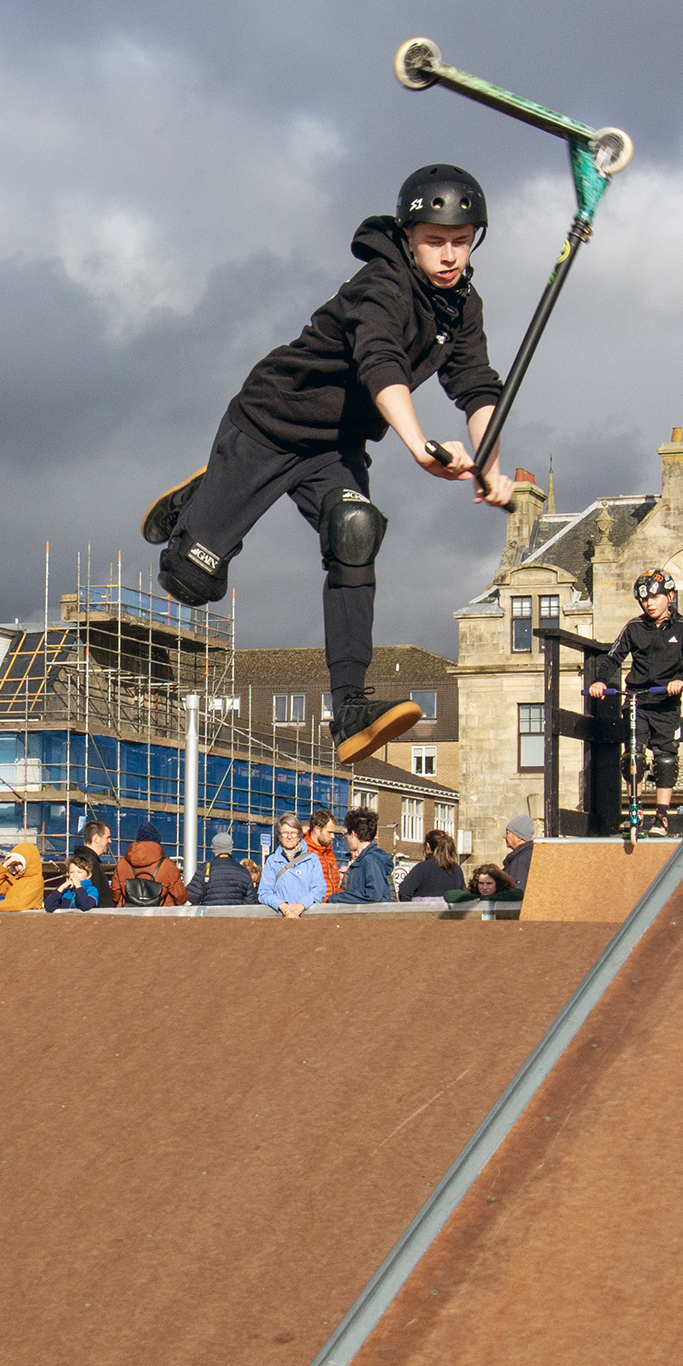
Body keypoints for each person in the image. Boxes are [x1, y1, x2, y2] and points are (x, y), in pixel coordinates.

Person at [143, 164, 513, 766]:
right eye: (435, 241)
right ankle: (202, 500)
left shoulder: (461, 306)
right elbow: (381, 363)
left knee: (355, 533)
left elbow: (475, 385)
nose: (449, 256)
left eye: (462, 241)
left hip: (334, 449)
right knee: (189, 581)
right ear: (408, 235)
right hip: (269, 423)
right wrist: (420, 445)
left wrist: (491, 464)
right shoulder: (380, 285)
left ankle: (350, 711)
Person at [589, 568, 683, 838]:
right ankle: (634, 812)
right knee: (633, 756)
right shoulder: (633, 627)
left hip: (666, 702)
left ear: (670, 596)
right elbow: (612, 657)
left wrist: (681, 680)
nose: (649, 604)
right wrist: (600, 681)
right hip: (637, 701)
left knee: (665, 759)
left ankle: (662, 818)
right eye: (644, 600)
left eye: (655, 598)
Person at [259, 812, 328, 918]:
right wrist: (282, 905)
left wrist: (301, 905)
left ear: (299, 836)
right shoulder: (272, 861)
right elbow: (264, 892)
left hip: (307, 919)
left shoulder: (312, 860)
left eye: (293, 833)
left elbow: (319, 889)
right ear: (280, 836)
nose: (289, 837)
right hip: (281, 920)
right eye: (285, 833)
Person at [111, 821, 188, 907]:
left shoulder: (122, 864)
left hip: (129, 915)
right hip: (161, 916)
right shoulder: (167, 865)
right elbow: (180, 898)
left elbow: (115, 896)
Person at [330, 807, 395, 903]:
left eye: (347, 834)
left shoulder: (370, 860)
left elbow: (375, 895)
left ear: (353, 833)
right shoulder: (364, 860)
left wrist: (337, 898)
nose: (347, 839)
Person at [186, 831, 258, 905]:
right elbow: (250, 901)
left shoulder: (205, 869)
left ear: (213, 849)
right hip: (235, 915)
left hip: (210, 915)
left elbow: (192, 897)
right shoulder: (243, 872)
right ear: (231, 849)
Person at [397, 828, 465, 901]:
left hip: (424, 910)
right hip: (450, 912)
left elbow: (404, 892)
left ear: (428, 846)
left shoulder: (422, 868)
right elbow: (462, 895)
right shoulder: (456, 869)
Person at [0, 841, 46, 912]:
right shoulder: (15, 879)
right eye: (15, 865)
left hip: (29, 919)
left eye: (20, 864)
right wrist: (5, 865)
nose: (17, 868)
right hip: (14, 918)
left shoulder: (36, 880)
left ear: (28, 862)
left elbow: (20, 904)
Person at [303, 809, 343, 902]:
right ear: (317, 830)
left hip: (331, 908)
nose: (333, 836)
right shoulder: (303, 852)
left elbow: (333, 885)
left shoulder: (329, 852)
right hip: (313, 908)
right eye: (329, 832)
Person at [78, 819, 116, 907]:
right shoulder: (89, 862)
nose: (110, 841)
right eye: (107, 837)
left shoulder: (83, 858)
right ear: (96, 839)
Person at [445, 862, 520, 903]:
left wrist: (485, 898)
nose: (484, 887)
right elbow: (448, 895)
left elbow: (518, 893)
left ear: (497, 883)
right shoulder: (474, 894)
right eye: (481, 883)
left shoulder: (505, 893)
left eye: (489, 883)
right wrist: (474, 898)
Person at [501, 817, 536, 889]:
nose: (504, 836)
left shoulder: (521, 859)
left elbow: (518, 890)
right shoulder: (526, 854)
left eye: (508, 833)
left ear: (519, 837)